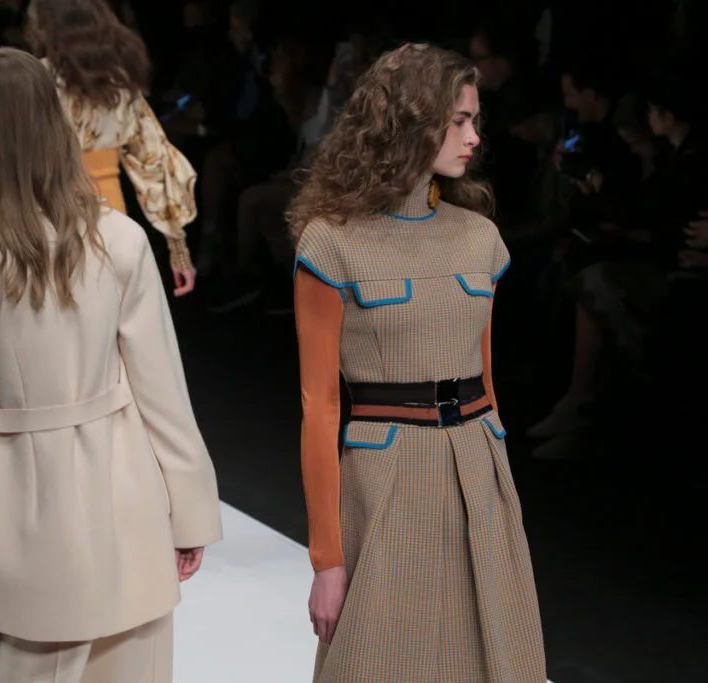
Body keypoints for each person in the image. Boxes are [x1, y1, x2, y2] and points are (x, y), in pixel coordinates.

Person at [0, 47, 223, 683]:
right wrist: (192, 508)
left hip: (26, 516)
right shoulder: (119, 239)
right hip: (127, 505)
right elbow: (163, 390)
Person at [289, 43, 546, 682]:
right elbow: (319, 405)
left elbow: (486, 383)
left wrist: (499, 487)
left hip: (476, 474)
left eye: (474, 120)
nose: (474, 137)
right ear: (408, 120)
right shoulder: (331, 242)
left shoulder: (479, 239)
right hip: (385, 478)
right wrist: (326, 559)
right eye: (458, 120)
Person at [27, 0, 199, 298]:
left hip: (50, 217)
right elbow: (156, 160)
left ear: (44, 27)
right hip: (110, 219)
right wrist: (178, 248)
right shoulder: (119, 84)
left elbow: (6, 155)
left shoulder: (33, 80)